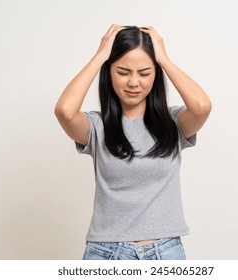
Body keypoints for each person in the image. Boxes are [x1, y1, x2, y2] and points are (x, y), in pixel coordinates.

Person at [54, 24, 212, 260]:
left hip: (165, 252)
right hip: (106, 252)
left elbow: (202, 106)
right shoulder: (96, 127)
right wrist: (100, 57)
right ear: (109, 72)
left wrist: (164, 61)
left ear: (156, 74)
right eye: (123, 72)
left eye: (145, 73)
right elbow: (65, 111)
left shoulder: (174, 123)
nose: (134, 82)